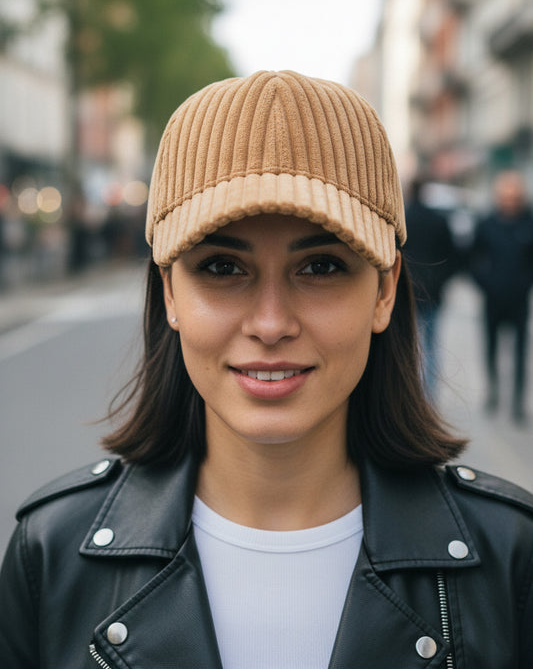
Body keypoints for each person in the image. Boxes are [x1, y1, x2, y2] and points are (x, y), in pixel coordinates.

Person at [0, 71, 532, 668]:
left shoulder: (510, 556)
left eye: (322, 267)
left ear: (384, 293)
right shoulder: (50, 554)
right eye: (223, 268)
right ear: (169, 295)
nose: (271, 323)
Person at [469, 169, 533, 423]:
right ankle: (493, 391)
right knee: (491, 347)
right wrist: (485, 283)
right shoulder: (487, 223)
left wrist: (525, 283)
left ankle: (517, 400)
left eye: (514, 197)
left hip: (519, 300)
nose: (509, 202)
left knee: (519, 351)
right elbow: (472, 258)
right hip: (492, 299)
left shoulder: (528, 223)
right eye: (505, 197)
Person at [404, 177, 458, 398]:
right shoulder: (437, 220)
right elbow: (453, 256)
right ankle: (430, 395)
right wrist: (440, 280)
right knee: (432, 344)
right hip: (433, 291)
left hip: (406, 291)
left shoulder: (403, 218)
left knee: (407, 344)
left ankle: (409, 393)